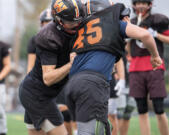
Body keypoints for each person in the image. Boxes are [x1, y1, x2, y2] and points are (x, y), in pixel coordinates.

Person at [63, 0, 163, 135]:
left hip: (73, 84)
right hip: (92, 84)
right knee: (89, 132)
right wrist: (155, 56)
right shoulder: (113, 24)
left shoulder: (81, 28)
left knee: (99, 128)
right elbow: (145, 35)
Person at [19, 0, 85, 135]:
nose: (76, 25)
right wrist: (71, 64)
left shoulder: (75, 24)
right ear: (59, 20)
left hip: (38, 93)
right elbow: (48, 78)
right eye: (71, 22)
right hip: (37, 95)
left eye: (78, 20)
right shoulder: (49, 37)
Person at [126, 0, 169, 135]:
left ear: (150, 4)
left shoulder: (157, 21)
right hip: (136, 69)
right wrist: (128, 53)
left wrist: (155, 34)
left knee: (159, 109)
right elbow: (128, 46)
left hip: (154, 67)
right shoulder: (131, 22)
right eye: (138, 3)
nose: (141, 5)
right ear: (134, 5)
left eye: (144, 2)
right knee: (141, 110)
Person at [115, 56, 136, 135]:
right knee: (119, 114)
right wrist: (114, 73)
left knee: (128, 114)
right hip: (120, 84)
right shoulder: (119, 46)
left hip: (133, 85)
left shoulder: (135, 49)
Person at [27, 9, 53, 73]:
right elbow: (30, 66)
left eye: (51, 21)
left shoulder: (62, 38)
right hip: (40, 75)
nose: (49, 24)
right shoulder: (34, 40)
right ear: (41, 23)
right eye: (47, 21)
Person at [0, 41, 11, 135]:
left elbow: (7, 66)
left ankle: (2, 132)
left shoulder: (3, 46)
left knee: (0, 111)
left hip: (0, 85)